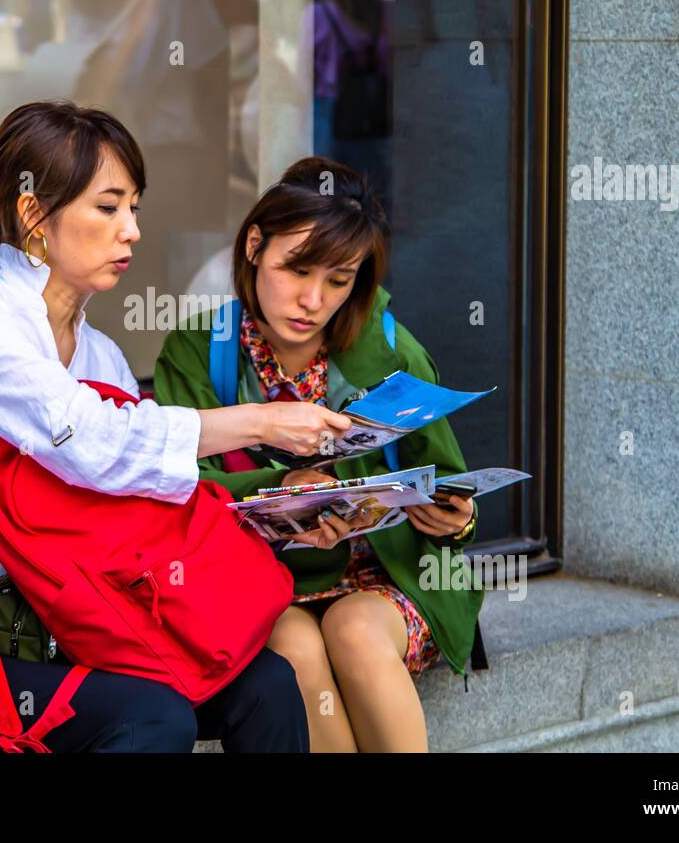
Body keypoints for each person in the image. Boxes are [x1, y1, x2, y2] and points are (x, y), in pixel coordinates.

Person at [0, 100, 349, 752]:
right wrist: (259, 421)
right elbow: (88, 443)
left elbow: (140, 508)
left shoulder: (103, 359)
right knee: (155, 718)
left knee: (266, 682)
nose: (132, 231)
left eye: (135, 208)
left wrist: (287, 514)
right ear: (36, 215)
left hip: (74, 630)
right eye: (109, 206)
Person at [152, 157, 484, 752]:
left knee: (354, 630)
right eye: (297, 269)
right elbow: (177, 489)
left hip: (391, 580)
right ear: (255, 244)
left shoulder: (390, 350)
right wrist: (285, 486)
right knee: (293, 649)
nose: (312, 299)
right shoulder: (198, 352)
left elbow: (450, 481)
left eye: (339, 279)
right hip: (267, 585)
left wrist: (456, 520)